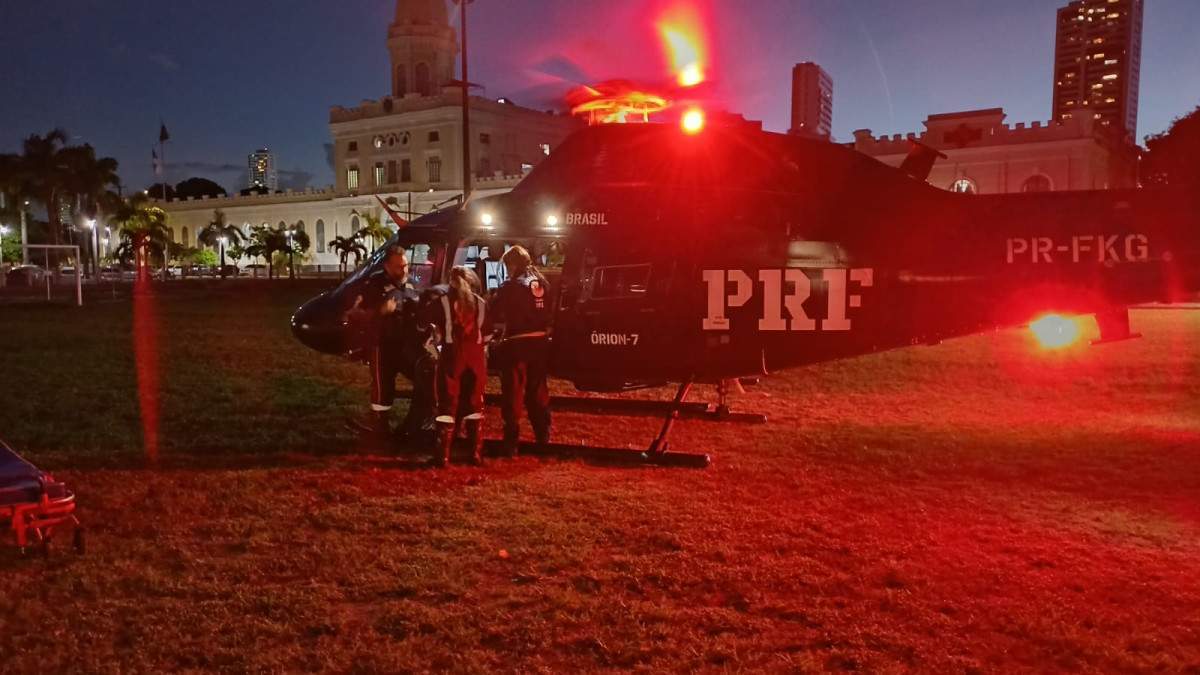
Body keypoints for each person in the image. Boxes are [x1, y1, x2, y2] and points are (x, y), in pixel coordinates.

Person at [344, 246, 429, 445]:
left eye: (406, 265)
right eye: (399, 267)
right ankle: (379, 429)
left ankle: (415, 423)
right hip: (381, 345)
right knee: (383, 388)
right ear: (387, 267)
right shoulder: (373, 285)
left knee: (425, 374)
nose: (404, 270)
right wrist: (379, 311)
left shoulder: (411, 285)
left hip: (407, 346)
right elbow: (354, 314)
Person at [488, 245, 552, 456]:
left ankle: (511, 442)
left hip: (517, 346)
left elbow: (494, 312)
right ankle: (543, 438)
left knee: (513, 395)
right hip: (540, 345)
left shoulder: (510, 286)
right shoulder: (542, 282)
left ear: (513, 264)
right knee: (538, 392)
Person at [429, 266, 489, 467]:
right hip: (476, 356)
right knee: (475, 403)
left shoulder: (442, 302)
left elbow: (428, 327)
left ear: (450, 282)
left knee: (447, 402)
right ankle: (475, 454)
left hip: (452, 355)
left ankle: (442, 456)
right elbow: (488, 332)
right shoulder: (480, 303)